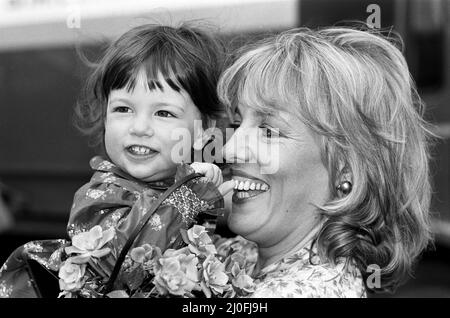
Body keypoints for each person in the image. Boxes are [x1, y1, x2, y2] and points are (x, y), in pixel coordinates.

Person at [0, 23, 234, 298]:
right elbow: (123, 265)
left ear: (203, 130)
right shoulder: (100, 194)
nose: (139, 127)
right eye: (123, 109)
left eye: (163, 113)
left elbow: (204, 249)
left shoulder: (191, 185)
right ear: (105, 119)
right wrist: (190, 194)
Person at [216, 26, 434, 297]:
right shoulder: (248, 257)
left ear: (347, 169)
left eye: (269, 131)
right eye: (237, 123)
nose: (228, 148)